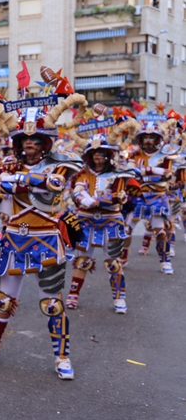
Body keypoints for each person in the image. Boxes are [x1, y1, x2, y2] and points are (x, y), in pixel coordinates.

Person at [0, 87, 85, 380]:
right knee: (3, 299)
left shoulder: (63, 163)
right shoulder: (7, 164)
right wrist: (25, 181)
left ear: (46, 143)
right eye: (24, 140)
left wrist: (20, 181)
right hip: (14, 239)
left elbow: (55, 184)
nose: (29, 145)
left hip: (47, 240)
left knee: (52, 303)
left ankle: (62, 357)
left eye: (35, 140)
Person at [65, 110, 140, 313]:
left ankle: (119, 298)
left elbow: (123, 196)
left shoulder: (119, 173)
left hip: (111, 220)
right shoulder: (82, 173)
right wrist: (84, 199)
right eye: (94, 155)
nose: (97, 158)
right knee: (82, 260)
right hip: (86, 219)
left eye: (101, 155)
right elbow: (76, 191)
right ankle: (73, 295)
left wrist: (101, 200)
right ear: (88, 156)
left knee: (113, 262)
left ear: (108, 155)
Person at [127, 119, 179, 274]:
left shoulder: (166, 155)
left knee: (160, 232)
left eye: (151, 138)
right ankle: (122, 257)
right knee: (126, 229)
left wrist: (144, 172)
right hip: (138, 196)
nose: (147, 141)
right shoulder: (134, 154)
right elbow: (130, 173)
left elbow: (169, 175)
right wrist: (154, 172)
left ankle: (165, 261)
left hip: (157, 196)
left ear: (157, 139)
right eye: (144, 138)